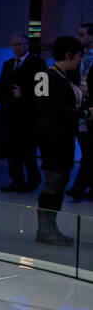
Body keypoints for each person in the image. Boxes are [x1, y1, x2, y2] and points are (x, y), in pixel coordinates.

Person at [34, 35, 87, 245]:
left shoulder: (62, 78)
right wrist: (82, 114)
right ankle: (45, 229)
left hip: (62, 138)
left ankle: (49, 227)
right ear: (68, 55)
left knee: (59, 180)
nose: (79, 61)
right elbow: (46, 109)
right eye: (78, 57)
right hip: (52, 139)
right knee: (54, 182)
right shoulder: (45, 76)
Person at [0, 33, 44, 192]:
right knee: (12, 148)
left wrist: (24, 92)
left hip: (28, 114)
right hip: (10, 113)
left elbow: (42, 90)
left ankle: (33, 179)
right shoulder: (8, 64)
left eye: (20, 45)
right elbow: (1, 87)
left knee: (27, 149)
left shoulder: (38, 63)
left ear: (27, 45)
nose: (17, 48)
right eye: (14, 45)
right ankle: (16, 180)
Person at [66, 22, 93, 200]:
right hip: (80, 109)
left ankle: (79, 187)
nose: (79, 38)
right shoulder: (78, 58)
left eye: (82, 35)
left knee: (90, 150)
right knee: (86, 148)